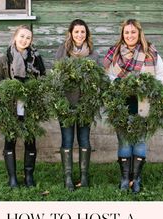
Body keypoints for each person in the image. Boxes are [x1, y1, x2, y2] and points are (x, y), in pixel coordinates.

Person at [103, 19, 163, 193]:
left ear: (139, 33)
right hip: (121, 105)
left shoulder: (150, 52)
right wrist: (119, 83)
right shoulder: (115, 53)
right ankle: (125, 179)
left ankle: (136, 179)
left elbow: (161, 75)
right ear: (122, 34)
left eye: (133, 32)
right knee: (124, 142)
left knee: (139, 142)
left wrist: (148, 86)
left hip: (143, 104)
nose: (129, 35)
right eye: (126, 32)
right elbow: (107, 76)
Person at [0, 25, 45, 188]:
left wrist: (34, 86)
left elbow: (43, 78)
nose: (24, 40)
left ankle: (29, 176)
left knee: (30, 142)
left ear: (31, 41)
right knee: (10, 141)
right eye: (22, 36)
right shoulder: (5, 58)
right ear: (15, 37)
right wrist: (10, 85)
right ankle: (12, 178)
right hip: (10, 107)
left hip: (30, 107)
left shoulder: (36, 58)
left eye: (28, 38)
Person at [55, 19, 99, 191]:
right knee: (67, 140)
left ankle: (84, 177)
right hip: (66, 104)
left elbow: (96, 80)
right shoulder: (62, 52)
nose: (79, 35)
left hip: (85, 106)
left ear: (86, 34)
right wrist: (60, 102)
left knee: (84, 139)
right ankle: (67, 178)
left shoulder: (93, 55)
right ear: (71, 34)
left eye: (82, 32)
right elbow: (57, 78)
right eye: (76, 32)